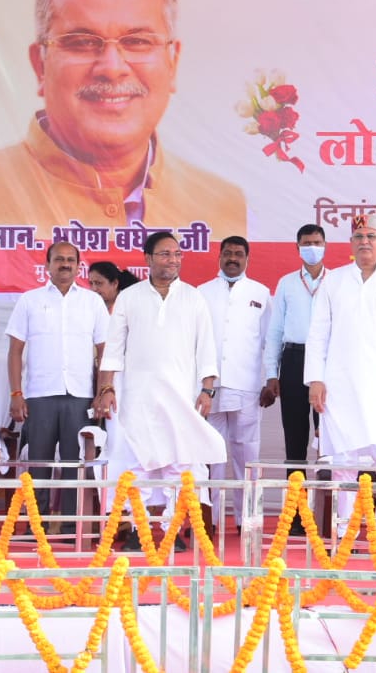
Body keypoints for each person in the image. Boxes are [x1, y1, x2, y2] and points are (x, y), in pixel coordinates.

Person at [0, 0, 246, 242]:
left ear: (172, 63)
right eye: (82, 42)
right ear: (40, 65)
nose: (111, 68)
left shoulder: (229, 209)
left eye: (137, 41)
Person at [93, 231, 225, 550]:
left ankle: (170, 530)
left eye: (177, 254)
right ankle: (140, 530)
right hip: (138, 396)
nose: (173, 260)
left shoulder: (193, 298)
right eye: (165, 254)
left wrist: (207, 390)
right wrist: (107, 387)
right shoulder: (130, 297)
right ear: (148, 259)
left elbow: (207, 348)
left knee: (178, 465)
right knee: (138, 461)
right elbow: (114, 348)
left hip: (181, 395)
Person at [305, 213, 376, 549]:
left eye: (372, 236)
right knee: (344, 463)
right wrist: (315, 379)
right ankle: (345, 531)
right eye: (359, 237)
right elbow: (318, 334)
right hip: (341, 384)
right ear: (350, 244)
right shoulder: (334, 281)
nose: (365, 242)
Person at [6, 242, 109, 528]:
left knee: (74, 464)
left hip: (80, 396)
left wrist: (102, 392)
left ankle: (70, 527)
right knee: (38, 463)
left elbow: (105, 351)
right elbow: (15, 351)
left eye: (70, 260)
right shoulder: (29, 300)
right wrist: (16, 394)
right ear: (47, 265)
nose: (65, 264)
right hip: (40, 395)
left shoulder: (92, 302)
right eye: (59, 259)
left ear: (78, 266)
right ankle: (35, 526)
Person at [197, 236, 271, 529]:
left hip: (247, 385)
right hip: (209, 388)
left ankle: (247, 521)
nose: (232, 258)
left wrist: (269, 379)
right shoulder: (201, 293)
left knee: (247, 456)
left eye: (238, 254)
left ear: (247, 259)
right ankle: (210, 521)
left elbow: (268, 341)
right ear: (219, 256)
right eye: (227, 253)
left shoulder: (261, 293)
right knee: (210, 455)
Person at [261, 224, 327, 534]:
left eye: (318, 242)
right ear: (297, 247)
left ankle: (330, 514)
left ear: (325, 245)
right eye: (307, 243)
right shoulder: (287, 283)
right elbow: (275, 331)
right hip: (294, 360)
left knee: (329, 439)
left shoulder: (336, 281)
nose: (313, 247)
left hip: (326, 364)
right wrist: (271, 373)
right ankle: (297, 515)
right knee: (295, 440)